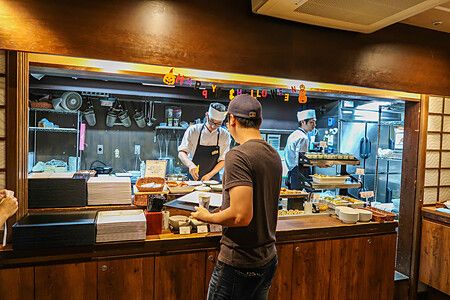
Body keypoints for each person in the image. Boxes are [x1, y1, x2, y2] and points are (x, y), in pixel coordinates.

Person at [191, 94, 282, 300]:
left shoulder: (238, 155)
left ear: (231, 120)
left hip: (240, 261)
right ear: (259, 121)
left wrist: (207, 216)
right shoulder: (273, 154)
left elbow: (241, 216)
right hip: (267, 258)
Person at [178, 103, 231, 181]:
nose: (213, 126)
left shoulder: (225, 135)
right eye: (211, 121)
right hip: (193, 179)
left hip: (213, 180)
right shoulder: (193, 130)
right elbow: (181, 152)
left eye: (218, 124)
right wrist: (190, 165)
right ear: (207, 115)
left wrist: (210, 175)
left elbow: (223, 160)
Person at [284, 109, 317, 190]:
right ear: (302, 122)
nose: (314, 125)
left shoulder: (294, 134)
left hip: (293, 170)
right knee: (301, 197)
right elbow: (303, 158)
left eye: (315, 122)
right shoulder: (303, 137)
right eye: (311, 122)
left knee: (294, 196)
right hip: (300, 171)